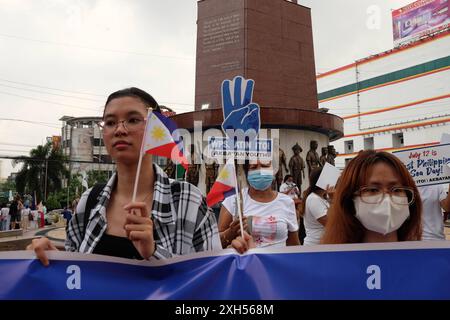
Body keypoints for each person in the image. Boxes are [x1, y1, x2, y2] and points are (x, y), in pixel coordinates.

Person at [28, 87, 220, 266]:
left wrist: (153, 253)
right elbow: (76, 274)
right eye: (110, 123)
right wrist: (53, 259)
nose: (119, 130)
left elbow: (209, 279)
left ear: (156, 128)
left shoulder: (188, 201)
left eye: (133, 120)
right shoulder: (89, 201)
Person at [321, 150, 422, 244]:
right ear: (349, 199)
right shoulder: (333, 261)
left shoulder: (427, 258)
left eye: (397, 190)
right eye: (373, 190)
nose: (387, 200)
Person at [218, 160, 300, 249]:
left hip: (278, 262)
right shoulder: (233, 200)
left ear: (273, 170)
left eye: (265, 166)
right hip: (246, 262)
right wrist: (231, 232)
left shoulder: (286, 201)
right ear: (247, 173)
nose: (260, 171)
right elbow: (216, 244)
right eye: (253, 167)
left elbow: (293, 245)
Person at [302, 168, 333, 245]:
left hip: (324, 243)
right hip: (315, 245)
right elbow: (330, 223)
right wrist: (333, 199)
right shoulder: (313, 199)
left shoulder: (323, 198)